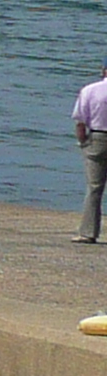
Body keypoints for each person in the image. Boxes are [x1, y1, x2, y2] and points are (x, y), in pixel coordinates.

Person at [75, 60, 107, 243]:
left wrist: (83, 142)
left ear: (104, 70)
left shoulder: (90, 90)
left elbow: (80, 121)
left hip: (98, 137)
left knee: (95, 188)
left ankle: (88, 232)